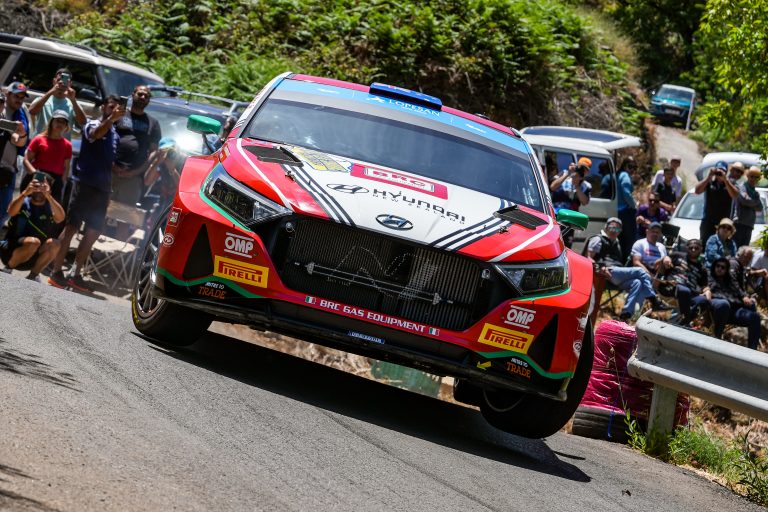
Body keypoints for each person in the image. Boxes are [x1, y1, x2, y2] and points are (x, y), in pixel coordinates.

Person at [48, 96, 124, 292]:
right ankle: (56, 271)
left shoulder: (115, 133)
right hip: (85, 184)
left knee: (93, 232)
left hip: (103, 189)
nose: (114, 110)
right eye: (111, 106)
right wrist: (111, 119)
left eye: (117, 108)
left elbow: (108, 162)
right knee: (71, 228)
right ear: (103, 107)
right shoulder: (93, 124)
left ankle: (75, 274)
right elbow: (95, 134)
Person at [588, 217, 672, 321]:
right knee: (640, 271)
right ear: (606, 227)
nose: (614, 231)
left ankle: (625, 314)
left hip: (617, 275)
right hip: (606, 272)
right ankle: (654, 300)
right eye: (612, 228)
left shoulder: (616, 242)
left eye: (617, 229)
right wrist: (600, 267)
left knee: (637, 282)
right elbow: (588, 258)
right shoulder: (598, 239)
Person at [112, 85, 161, 237]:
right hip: (110, 171)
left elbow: (154, 151)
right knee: (100, 210)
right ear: (133, 95)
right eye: (140, 94)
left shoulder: (153, 123)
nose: (143, 97)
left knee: (124, 217)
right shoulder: (119, 114)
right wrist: (112, 165)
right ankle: (91, 246)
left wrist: (137, 171)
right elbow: (106, 137)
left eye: (146, 96)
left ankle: (117, 248)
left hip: (133, 178)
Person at [0, 173, 64, 280]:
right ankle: (8, 269)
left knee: (55, 244)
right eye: (36, 186)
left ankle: (33, 276)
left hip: (33, 257)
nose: (39, 190)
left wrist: (49, 196)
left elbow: (60, 218)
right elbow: (11, 211)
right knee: (33, 242)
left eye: (43, 187)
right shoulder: (23, 202)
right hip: (10, 252)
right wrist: (25, 193)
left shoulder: (50, 207)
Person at [709, 256, 762, 350]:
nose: (720, 269)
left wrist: (749, 299)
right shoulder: (709, 277)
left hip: (733, 311)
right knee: (724, 304)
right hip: (717, 308)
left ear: (726, 270)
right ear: (714, 266)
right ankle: (717, 337)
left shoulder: (729, 281)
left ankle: (752, 349)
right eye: (718, 266)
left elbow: (738, 294)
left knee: (755, 317)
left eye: (723, 267)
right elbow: (706, 291)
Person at [22, 110, 72, 204]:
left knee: (50, 210)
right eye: (58, 120)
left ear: (66, 126)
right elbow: (26, 160)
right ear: (52, 122)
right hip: (36, 178)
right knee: (26, 207)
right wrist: (35, 174)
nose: (60, 124)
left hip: (55, 182)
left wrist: (61, 182)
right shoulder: (39, 139)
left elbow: (66, 167)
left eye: (63, 122)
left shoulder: (67, 145)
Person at [658, 238, 711, 326]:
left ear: (701, 249)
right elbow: (663, 260)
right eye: (691, 247)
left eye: (696, 248)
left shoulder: (702, 268)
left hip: (690, 293)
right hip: (671, 286)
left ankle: (683, 322)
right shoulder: (677, 255)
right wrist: (665, 258)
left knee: (704, 301)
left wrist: (707, 291)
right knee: (684, 290)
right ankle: (686, 322)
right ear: (686, 248)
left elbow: (704, 285)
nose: (693, 249)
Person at [0, 82, 31, 226]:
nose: (19, 100)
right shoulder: (2, 111)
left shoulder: (21, 115)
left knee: (4, 211)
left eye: (22, 97)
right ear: (7, 94)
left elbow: (19, 142)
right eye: (16, 96)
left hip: (7, 170)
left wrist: (22, 133)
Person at [28, 68, 86, 140]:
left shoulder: (73, 104)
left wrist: (73, 100)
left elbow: (83, 122)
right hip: (41, 142)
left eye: (66, 81)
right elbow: (31, 111)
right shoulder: (42, 99)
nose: (62, 83)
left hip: (61, 145)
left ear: (70, 84)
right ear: (54, 81)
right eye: (59, 80)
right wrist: (51, 92)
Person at [549, 156, 592, 248]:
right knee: (551, 241)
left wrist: (577, 185)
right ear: (576, 166)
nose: (581, 171)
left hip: (570, 219)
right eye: (580, 167)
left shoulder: (586, 186)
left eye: (584, 170)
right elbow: (552, 187)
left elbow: (585, 202)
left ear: (587, 172)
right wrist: (568, 173)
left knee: (566, 245)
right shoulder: (564, 173)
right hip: (554, 214)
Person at [695, 160, 740, 243]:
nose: (719, 174)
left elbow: (735, 195)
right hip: (708, 220)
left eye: (722, 171)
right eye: (718, 171)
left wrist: (726, 180)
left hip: (724, 223)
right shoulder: (710, 183)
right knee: (705, 243)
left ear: (726, 172)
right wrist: (708, 177)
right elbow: (697, 191)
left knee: (722, 244)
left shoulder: (731, 183)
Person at [143, 136, 182, 227]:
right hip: (163, 203)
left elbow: (182, 189)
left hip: (178, 206)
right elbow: (147, 181)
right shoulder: (161, 163)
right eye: (165, 151)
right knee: (154, 224)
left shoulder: (185, 161)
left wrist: (172, 170)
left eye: (171, 150)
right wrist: (157, 162)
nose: (168, 154)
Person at [731, 165, 763, 247]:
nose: (753, 179)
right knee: (735, 249)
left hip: (749, 225)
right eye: (752, 176)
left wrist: (751, 202)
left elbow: (760, 208)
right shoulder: (741, 187)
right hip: (738, 224)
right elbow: (745, 201)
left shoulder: (755, 192)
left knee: (744, 250)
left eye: (756, 177)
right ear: (747, 176)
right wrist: (755, 202)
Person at [616, 157, 637, 258]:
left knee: (621, 237)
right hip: (625, 211)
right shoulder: (625, 176)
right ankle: (627, 259)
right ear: (624, 166)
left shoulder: (619, 174)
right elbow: (626, 193)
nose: (632, 170)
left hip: (618, 211)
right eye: (630, 167)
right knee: (629, 238)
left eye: (635, 167)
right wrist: (634, 206)